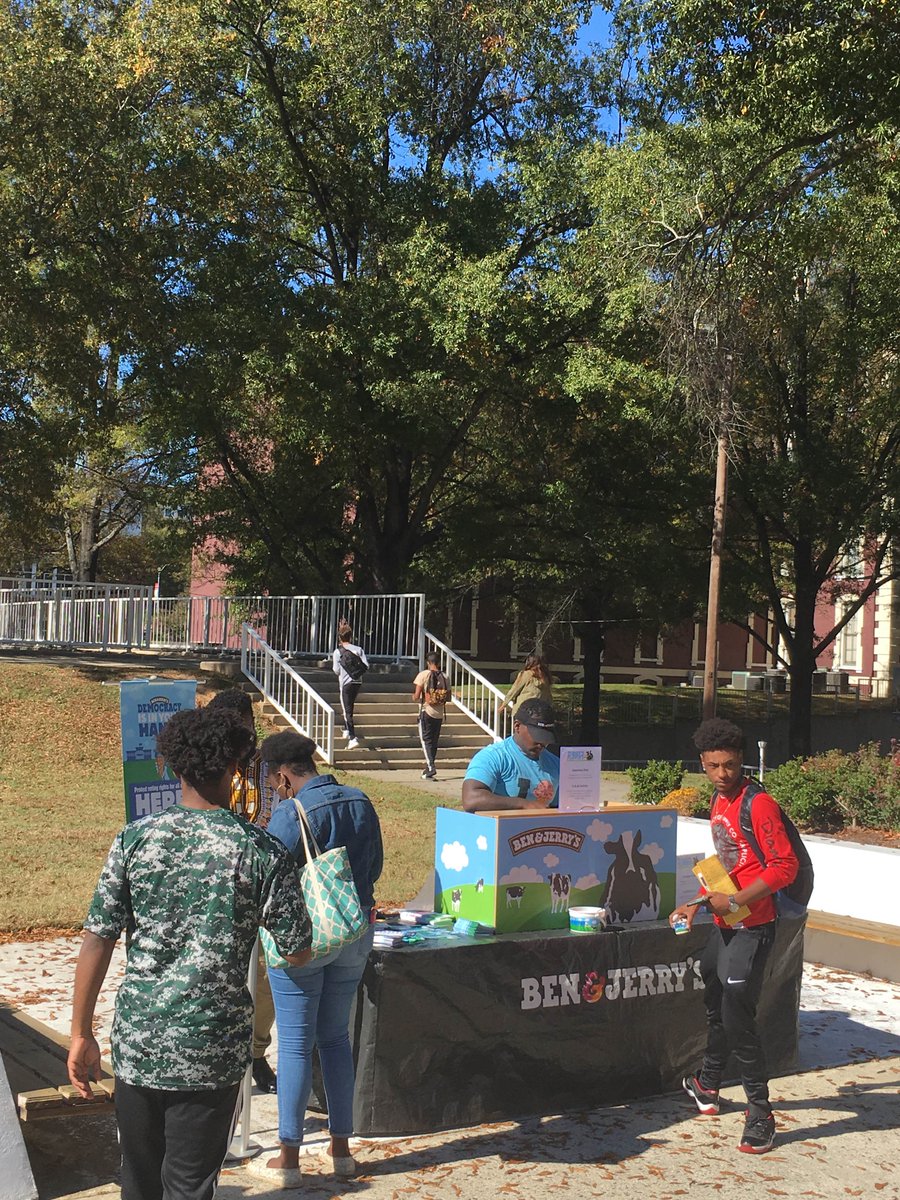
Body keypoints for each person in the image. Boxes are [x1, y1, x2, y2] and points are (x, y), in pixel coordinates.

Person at [67, 707, 312, 1200]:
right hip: (212, 1052)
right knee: (190, 1185)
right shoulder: (260, 851)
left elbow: (97, 939)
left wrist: (79, 1034)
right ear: (235, 769)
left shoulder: (134, 840)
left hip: (140, 1043)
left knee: (137, 1181)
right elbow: (297, 950)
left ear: (174, 768)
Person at [253, 731, 383, 1185]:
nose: (273, 790)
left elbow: (267, 878)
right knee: (334, 1040)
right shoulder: (360, 800)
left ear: (284, 776)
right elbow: (374, 869)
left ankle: (288, 1158)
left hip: (303, 941)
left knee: (294, 1043)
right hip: (354, 931)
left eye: (272, 782)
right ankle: (341, 1151)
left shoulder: (290, 813)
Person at [669, 717, 799, 1155]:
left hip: (754, 925)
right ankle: (708, 1086)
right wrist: (698, 902)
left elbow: (784, 866)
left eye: (728, 764)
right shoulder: (718, 801)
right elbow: (730, 860)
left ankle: (760, 1114)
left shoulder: (758, 803)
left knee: (738, 1016)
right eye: (712, 766)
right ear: (702, 764)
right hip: (725, 921)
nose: (721, 774)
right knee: (714, 998)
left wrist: (739, 898)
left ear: (741, 759)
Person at [206, 688, 278, 1094]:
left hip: (264, 882)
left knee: (265, 977)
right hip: (216, 887)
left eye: (243, 730)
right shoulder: (207, 763)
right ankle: (219, 1053)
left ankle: (254, 1053)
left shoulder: (272, 762)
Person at [461, 697, 560, 812]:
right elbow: (471, 799)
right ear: (517, 726)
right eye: (537, 736)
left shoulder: (556, 765)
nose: (542, 743)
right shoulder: (492, 757)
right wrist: (523, 804)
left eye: (546, 738)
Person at [412, 651, 451, 780]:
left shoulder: (423, 675)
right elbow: (448, 697)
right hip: (439, 714)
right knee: (434, 741)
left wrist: (414, 697)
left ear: (428, 663)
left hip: (426, 712)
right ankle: (428, 767)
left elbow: (416, 696)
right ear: (439, 663)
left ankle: (431, 767)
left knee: (425, 740)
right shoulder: (445, 676)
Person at [332, 623, 368, 750]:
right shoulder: (358, 649)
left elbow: (336, 670)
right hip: (357, 682)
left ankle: (352, 737)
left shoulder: (337, 652)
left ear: (339, 638)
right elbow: (365, 665)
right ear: (350, 637)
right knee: (350, 706)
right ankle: (346, 729)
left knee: (346, 710)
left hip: (345, 683)